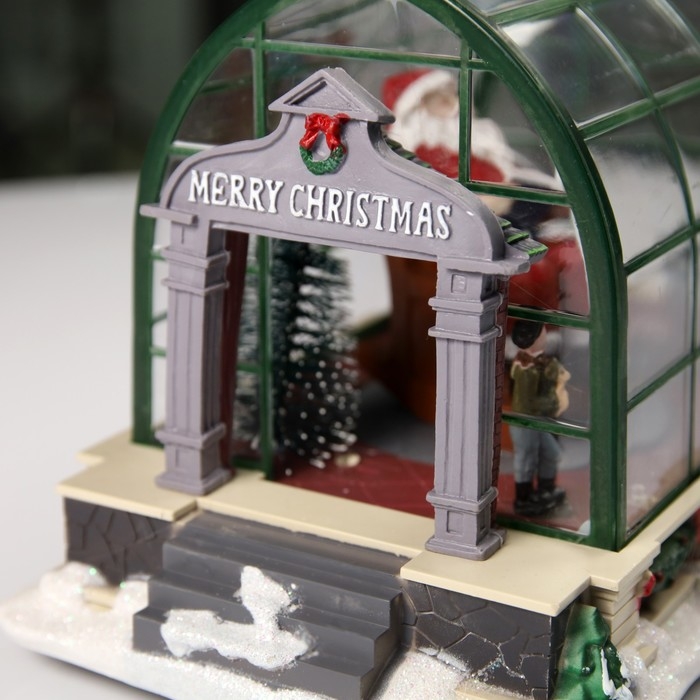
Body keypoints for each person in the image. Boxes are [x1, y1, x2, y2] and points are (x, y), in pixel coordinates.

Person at [509, 319, 570, 516]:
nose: (546, 335)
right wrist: (554, 403)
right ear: (534, 340)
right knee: (526, 459)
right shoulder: (525, 368)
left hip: (538, 420)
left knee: (551, 454)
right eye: (542, 333)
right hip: (527, 421)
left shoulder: (541, 362)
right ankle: (524, 497)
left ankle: (546, 489)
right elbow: (527, 403)